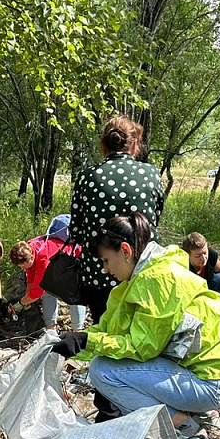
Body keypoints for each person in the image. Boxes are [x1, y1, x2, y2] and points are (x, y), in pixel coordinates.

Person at [50, 212, 220, 439]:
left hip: (213, 379)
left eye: (105, 260)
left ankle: (187, 433)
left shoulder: (156, 281)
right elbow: (113, 330)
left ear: (125, 250)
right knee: (107, 362)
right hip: (218, 368)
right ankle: (200, 414)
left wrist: (87, 342)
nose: (104, 269)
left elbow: (142, 347)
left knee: (103, 372)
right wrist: (74, 345)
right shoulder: (148, 271)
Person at [69, 115, 166, 323]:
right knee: (143, 334)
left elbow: (75, 232)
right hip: (144, 271)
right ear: (134, 145)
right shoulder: (151, 174)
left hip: (100, 273)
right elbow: (155, 221)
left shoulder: (88, 177)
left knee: (104, 332)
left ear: (104, 146)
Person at [9, 237, 87, 332]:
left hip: (73, 259)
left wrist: (20, 304)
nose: (22, 268)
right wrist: (27, 297)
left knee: (73, 292)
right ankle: (51, 329)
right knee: (47, 289)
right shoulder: (28, 248)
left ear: (31, 258)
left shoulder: (43, 259)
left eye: (23, 265)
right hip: (55, 263)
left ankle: (77, 330)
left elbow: (37, 293)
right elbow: (30, 275)